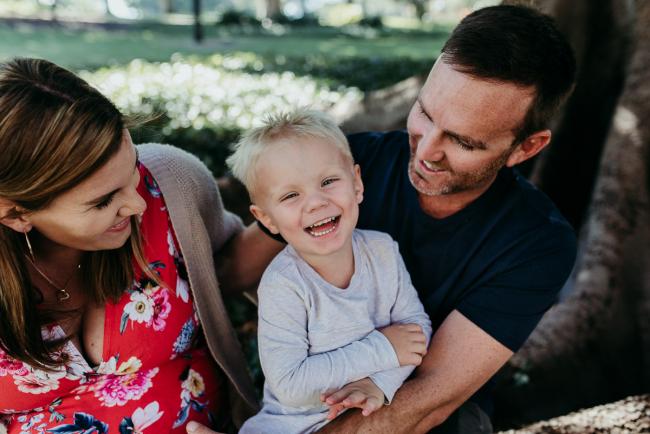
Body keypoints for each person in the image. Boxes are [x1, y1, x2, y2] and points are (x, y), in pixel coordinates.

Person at [188, 5, 578, 434]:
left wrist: (374, 374)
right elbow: (235, 272)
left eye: (463, 141)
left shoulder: (537, 243)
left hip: (429, 412)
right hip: (307, 402)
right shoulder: (344, 167)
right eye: (425, 114)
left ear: (526, 148)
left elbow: (428, 400)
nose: (426, 151)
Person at [0, 58, 276, 434]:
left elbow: (218, 272)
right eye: (103, 201)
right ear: (15, 214)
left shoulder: (170, 181)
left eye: (132, 171)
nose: (138, 204)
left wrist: (285, 220)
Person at [226, 110, 432, 434]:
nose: (316, 202)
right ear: (266, 220)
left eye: (328, 181)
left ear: (357, 184)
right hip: (289, 427)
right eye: (291, 195)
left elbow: (415, 333)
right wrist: (381, 350)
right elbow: (291, 386)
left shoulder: (383, 251)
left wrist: (378, 384)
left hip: (370, 411)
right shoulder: (284, 285)